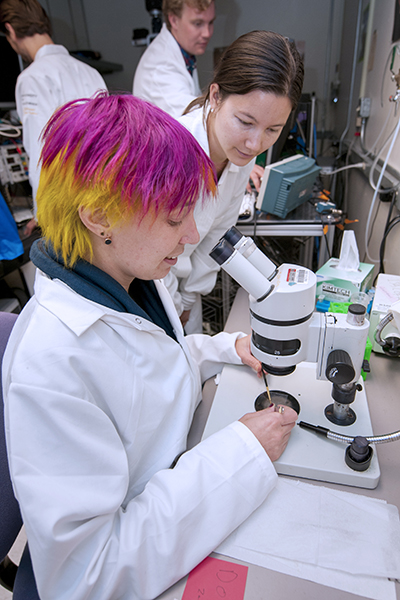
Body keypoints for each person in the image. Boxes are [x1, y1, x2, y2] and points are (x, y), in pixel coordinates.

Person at [3, 92, 297, 600]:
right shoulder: (52, 362)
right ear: (99, 215)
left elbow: (150, 367)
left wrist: (223, 348)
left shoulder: (124, 270)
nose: (190, 235)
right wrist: (243, 452)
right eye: (173, 217)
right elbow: (89, 574)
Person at [164, 30, 304, 333]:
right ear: (216, 96)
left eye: (272, 129)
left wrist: (188, 301)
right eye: (245, 122)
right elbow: (148, 251)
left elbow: (216, 234)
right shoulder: (172, 153)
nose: (254, 144)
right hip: (149, 289)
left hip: (183, 291)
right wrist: (173, 308)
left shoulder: (240, 154)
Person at [0, 0, 107, 234]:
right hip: (103, 198)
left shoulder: (32, 78)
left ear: (10, 30)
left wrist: (42, 214)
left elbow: (41, 153)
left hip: (67, 208)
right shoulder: (90, 72)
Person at [133, 0, 215, 118]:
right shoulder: (160, 66)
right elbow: (196, 120)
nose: (207, 33)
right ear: (174, 20)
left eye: (211, 22)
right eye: (198, 23)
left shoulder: (185, 54)